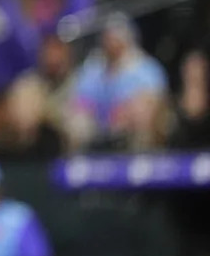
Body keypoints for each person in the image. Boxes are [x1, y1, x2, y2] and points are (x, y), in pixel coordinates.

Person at [68, 13, 170, 152]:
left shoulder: (145, 67)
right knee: (78, 122)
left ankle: (142, 161)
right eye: (108, 38)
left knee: (141, 114)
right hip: (100, 124)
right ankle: (80, 166)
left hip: (130, 124)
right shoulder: (94, 67)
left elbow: (156, 102)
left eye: (115, 37)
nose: (110, 42)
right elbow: (80, 99)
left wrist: (126, 109)